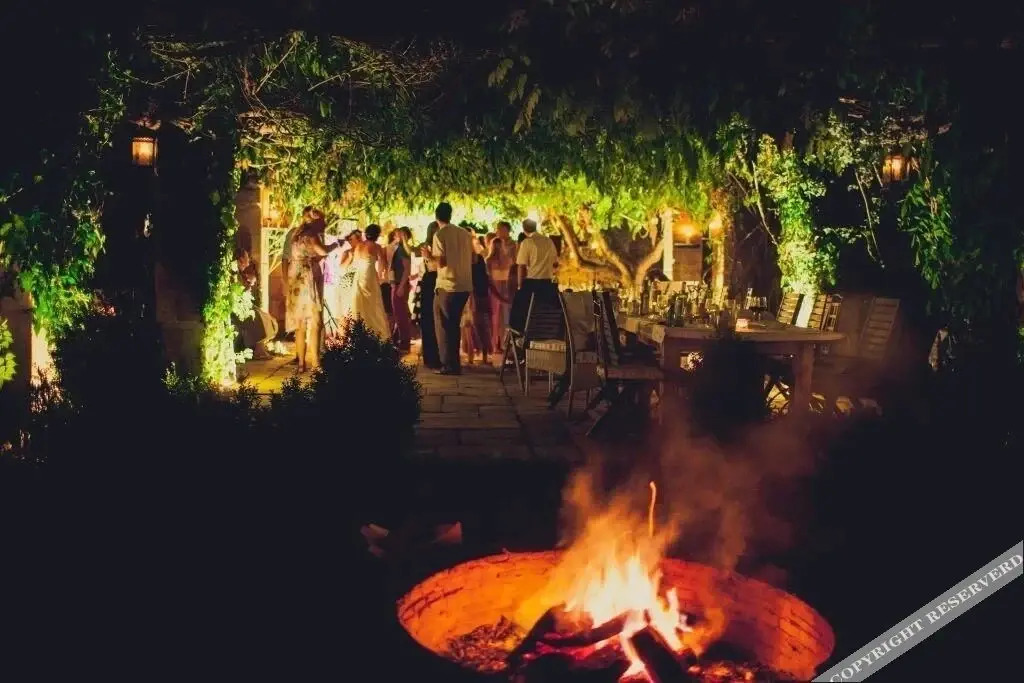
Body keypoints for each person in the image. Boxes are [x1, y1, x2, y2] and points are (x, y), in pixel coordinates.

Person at [286, 212, 340, 372]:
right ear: (316, 223)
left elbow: (306, 254)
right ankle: (316, 363)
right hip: (306, 277)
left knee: (300, 324)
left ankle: (301, 364)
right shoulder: (311, 234)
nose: (324, 225)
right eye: (323, 222)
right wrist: (337, 244)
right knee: (316, 322)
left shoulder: (297, 234)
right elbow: (322, 251)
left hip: (295, 277)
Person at [431, 202, 474, 375]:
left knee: (444, 326)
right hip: (465, 284)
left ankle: (448, 364)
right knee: (454, 325)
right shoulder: (465, 234)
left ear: (436, 216)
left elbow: (441, 262)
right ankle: (454, 363)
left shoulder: (440, 234)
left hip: (447, 285)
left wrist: (428, 257)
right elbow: (473, 258)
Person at [337, 224, 391, 341]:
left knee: (360, 305)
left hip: (358, 277)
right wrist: (382, 277)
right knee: (373, 304)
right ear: (377, 235)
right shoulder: (376, 246)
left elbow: (355, 263)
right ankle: (377, 335)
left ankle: (359, 334)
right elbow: (383, 265)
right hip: (369, 276)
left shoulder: (358, 246)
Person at [509, 218, 559, 332]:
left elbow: (521, 265)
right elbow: (555, 263)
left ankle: (522, 337)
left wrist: (520, 286)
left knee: (522, 317)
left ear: (524, 229)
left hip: (531, 284)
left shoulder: (527, 242)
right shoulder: (548, 241)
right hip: (547, 284)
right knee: (545, 317)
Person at [487, 221, 516, 351]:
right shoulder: (495, 258)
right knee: (497, 316)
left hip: (503, 286)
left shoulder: (512, 247)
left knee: (503, 316)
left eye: (500, 229)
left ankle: (502, 343)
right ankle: (498, 343)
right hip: (498, 286)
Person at [417, 221, 442, 369]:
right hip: (430, 279)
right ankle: (431, 356)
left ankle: (438, 354)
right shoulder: (427, 246)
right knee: (428, 318)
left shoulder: (442, 245)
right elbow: (434, 264)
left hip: (437, 279)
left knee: (437, 318)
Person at [390, 226, 414, 351]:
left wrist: (401, 286)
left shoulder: (402, 249)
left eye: (397, 234)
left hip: (400, 283)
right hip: (398, 283)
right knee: (399, 313)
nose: (394, 236)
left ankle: (404, 342)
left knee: (400, 314)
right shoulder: (400, 248)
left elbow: (407, 269)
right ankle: (398, 339)